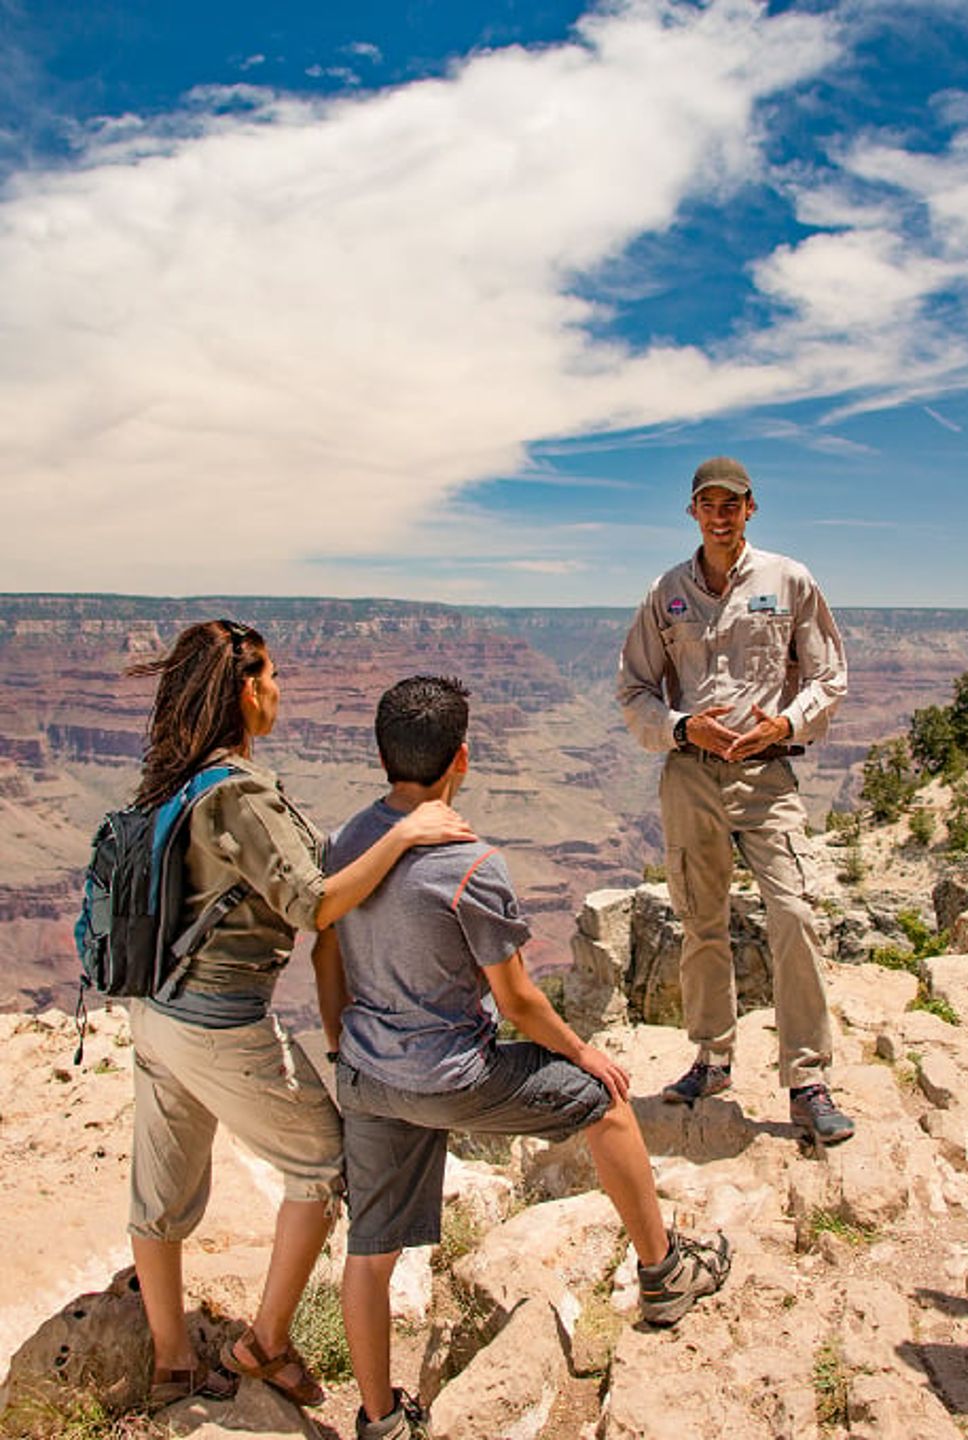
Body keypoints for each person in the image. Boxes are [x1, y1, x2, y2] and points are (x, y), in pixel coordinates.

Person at [317, 675, 732, 1440]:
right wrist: (583, 1053)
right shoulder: (470, 863)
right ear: (462, 760)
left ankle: (379, 1421)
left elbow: (325, 951)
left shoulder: (344, 844)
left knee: (370, 1252)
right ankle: (666, 1273)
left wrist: (343, 1046)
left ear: (382, 756)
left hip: (368, 1076)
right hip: (451, 1080)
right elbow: (517, 1004)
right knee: (605, 1104)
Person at [124, 620, 474, 1410]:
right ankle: (266, 1342)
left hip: (153, 1013)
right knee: (321, 1163)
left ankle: (173, 1364)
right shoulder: (239, 793)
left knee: (160, 1192)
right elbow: (313, 904)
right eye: (273, 677)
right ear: (248, 692)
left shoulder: (171, 778)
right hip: (218, 1021)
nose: (281, 690)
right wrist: (409, 832)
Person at [616, 456, 853, 1144]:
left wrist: (785, 724)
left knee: (794, 912)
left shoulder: (789, 580)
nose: (720, 514)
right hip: (691, 773)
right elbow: (634, 688)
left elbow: (828, 674)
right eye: (708, 504)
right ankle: (712, 1057)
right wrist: (681, 726)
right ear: (692, 512)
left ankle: (807, 1078)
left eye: (733, 503)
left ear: (752, 508)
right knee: (700, 919)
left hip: (765, 775)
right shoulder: (666, 592)